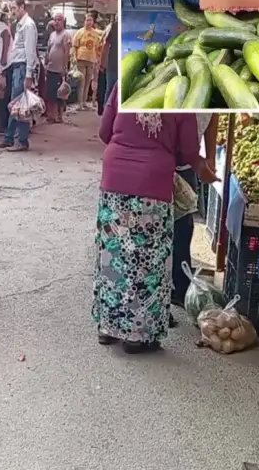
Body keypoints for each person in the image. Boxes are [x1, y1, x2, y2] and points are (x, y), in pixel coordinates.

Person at [94, 85, 217, 354]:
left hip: (114, 178)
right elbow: (187, 151)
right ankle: (137, 336)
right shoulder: (181, 93)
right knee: (146, 262)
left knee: (113, 254)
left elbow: (105, 132)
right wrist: (203, 168)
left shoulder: (123, 85)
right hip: (153, 183)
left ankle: (108, 327)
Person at [172, 114, 219, 307]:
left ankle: (180, 288)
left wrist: (210, 156)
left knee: (183, 229)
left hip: (186, 165)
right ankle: (167, 294)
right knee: (163, 233)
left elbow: (212, 116)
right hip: (166, 162)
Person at [0, 0, 37, 152]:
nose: (12, 12)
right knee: (15, 103)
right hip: (17, 66)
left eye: (14, 8)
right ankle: (9, 138)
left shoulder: (28, 26)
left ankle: (22, 140)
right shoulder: (20, 25)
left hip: (23, 67)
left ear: (22, 7)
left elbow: (30, 51)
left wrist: (29, 75)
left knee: (20, 105)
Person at [72, 11, 103, 110]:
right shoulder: (79, 32)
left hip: (91, 60)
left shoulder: (95, 33)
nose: (88, 22)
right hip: (81, 59)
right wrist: (74, 58)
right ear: (84, 22)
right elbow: (74, 46)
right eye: (87, 20)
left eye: (90, 20)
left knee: (88, 83)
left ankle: (84, 102)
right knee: (82, 82)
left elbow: (98, 47)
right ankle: (80, 103)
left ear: (93, 22)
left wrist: (98, 59)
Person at [44, 13, 71, 123]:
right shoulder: (52, 35)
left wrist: (64, 67)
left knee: (60, 93)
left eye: (59, 20)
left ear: (63, 21)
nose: (56, 22)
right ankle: (51, 115)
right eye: (54, 20)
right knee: (50, 92)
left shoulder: (66, 35)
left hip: (60, 68)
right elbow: (48, 49)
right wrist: (46, 63)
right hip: (51, 67)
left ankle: (59, 116)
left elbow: (67, 52)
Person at [97, 16, 118, 116]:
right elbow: (106, 45)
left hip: (115, 64)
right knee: (110, 89)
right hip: (113, 64)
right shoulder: (114, 27)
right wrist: (102, 62)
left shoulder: (114, 26)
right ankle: (107, 114)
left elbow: (106, 45)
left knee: (111, 90)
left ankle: (111, 114)